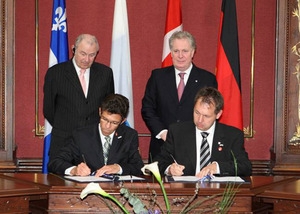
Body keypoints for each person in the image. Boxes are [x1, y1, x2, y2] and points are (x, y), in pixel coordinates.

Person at [141, 31, 218, 162]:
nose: (180, 56)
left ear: (193, 52)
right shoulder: (157, 77)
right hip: (162, 146)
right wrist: (163, 133)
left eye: (185, 51)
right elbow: (147, 109)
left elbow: (211, 112)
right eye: (176, 51)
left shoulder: (207, 79)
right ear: (170, 52)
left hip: (194, 147)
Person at [43, 34, 114, 161]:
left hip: (93, 144)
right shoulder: (55, 73)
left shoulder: (105, 73)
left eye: (92, 55)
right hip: (63, 143)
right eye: (83, 53)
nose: (87, 59)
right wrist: (66, 126)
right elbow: (49, 109)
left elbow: (108, 108)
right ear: (73, 49)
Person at [154, 87, 252, 178]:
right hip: (186, 191)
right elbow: (159, 162)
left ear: (218, 114)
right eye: (197, 113)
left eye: (206, 116)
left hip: (218, 193)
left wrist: (217, 167)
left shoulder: (232, 135)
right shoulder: (177, 132)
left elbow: (245, 166)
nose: (200, 120)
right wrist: (170, 169)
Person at [48, 94, 144, 177]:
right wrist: (74, 170)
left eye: (114, 123)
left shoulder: (129, 135)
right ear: (100, 111)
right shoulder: (81, 135)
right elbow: (55, 162)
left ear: (123, 121)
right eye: (104, 119)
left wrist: (118, 168)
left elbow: (138, 166)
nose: (107, 126)